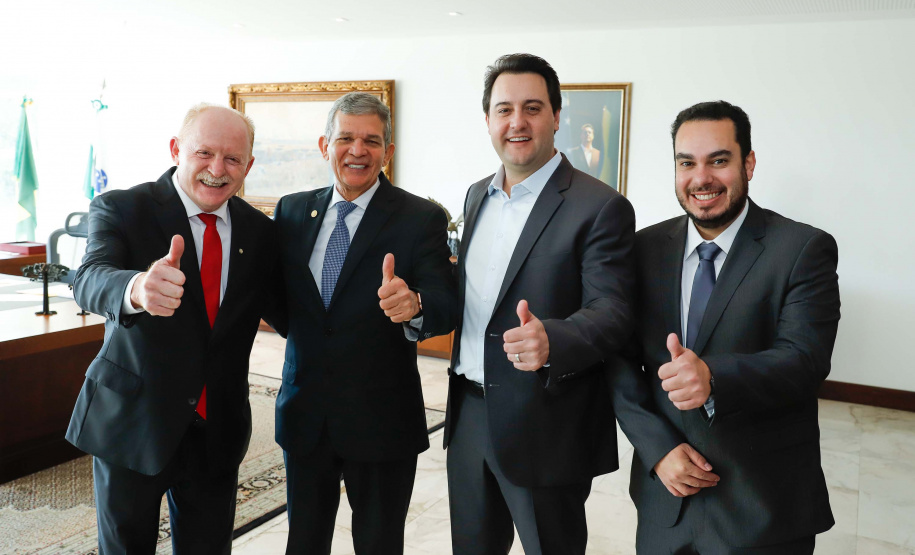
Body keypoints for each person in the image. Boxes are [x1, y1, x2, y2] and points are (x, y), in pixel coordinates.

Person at [444, 53, 709, 555]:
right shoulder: (476, 195)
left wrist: (552, 339)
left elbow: (612, 313)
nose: (516, 122)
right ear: (487, 120)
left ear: (557, 116)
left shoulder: (600, 206)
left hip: (545, 423)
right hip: (469, 418)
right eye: (503, 109)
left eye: (532, 108)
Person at [627, 100, 840, 554]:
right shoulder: (643, 249)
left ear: (749, 163)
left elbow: (805, 359)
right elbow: (622, 365)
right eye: (687, 163)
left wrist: (714, 377)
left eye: (718, 161)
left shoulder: (803, 249)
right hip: (666, 503)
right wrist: (657, 449)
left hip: (762, 506)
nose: (701, 178)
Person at [66, 103, 280, 553]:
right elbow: (88, 278)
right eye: (204, 153)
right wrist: (139, 288)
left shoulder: (260, 233)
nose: (217, 170)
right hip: (133, 424)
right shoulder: (123, 207)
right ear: (175, 149)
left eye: (233, 159)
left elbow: (289, 311)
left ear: (249, 165)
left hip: (217, 430)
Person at [273, 92, 458, 555]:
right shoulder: (292, 211)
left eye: (371, 141)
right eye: (346, 138)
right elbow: (279, 298)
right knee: (304, 542)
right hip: (306, 416)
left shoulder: (420, 218)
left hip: (381, 421)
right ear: (324, 145)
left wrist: (414, 305)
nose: (358, 150)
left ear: (388, 152)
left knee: (378, 544)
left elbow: (446, 301)